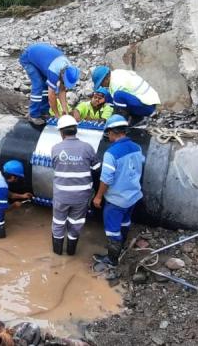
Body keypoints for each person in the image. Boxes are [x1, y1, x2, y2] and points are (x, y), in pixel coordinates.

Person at [92, 115, 145, 267]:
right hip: (133, 196)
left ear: (111, 132)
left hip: (117, 199)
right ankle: (121, 248)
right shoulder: (137, 147)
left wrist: (98, 197)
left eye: (107, 133)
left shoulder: (111, 153)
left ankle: (112, 260)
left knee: (112, 229)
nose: (107, 136)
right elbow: (139, 166)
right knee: (125, 222)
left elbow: (106, 179)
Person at [50, 115, 100, 255]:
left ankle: (57, 254)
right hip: (81, 196)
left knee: (58, 223)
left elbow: (56, 167)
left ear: (61, 132)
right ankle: (71, 253)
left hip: (62, 196)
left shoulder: (55, 149)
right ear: (76, 130)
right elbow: (96, 169)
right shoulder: (88, 148)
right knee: (76, 223)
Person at [19, 43, 81, 125]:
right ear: (63, 75)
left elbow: (62, 90)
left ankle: (44, 111)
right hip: (28, 58)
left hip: (42, 60)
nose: (64, 82)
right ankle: (33, 115)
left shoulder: (68, 68)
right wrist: (57, 116)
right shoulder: (54, 71)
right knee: (38, 85)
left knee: (45, 85)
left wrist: (65, 110)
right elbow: (51, 97)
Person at [91, 66, 160, 126]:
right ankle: (137, 118)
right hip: (143, 103)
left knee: (118, 96)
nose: (102, 86)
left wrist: (112, 124)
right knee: (108, 97)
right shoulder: (115, 74)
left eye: (101, 83)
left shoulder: (116, 82)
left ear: (106, 78)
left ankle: (121, 125)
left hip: (147, 107)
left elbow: (118, 106)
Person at [49, 87, 113, 122]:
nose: (96, 99)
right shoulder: (85, 104)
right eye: (95, 97)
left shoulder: (107, 108)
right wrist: (77, 117)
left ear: (105, 101)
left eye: (100, 98)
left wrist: (89, 120)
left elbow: (104, 120)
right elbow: (77, 111)